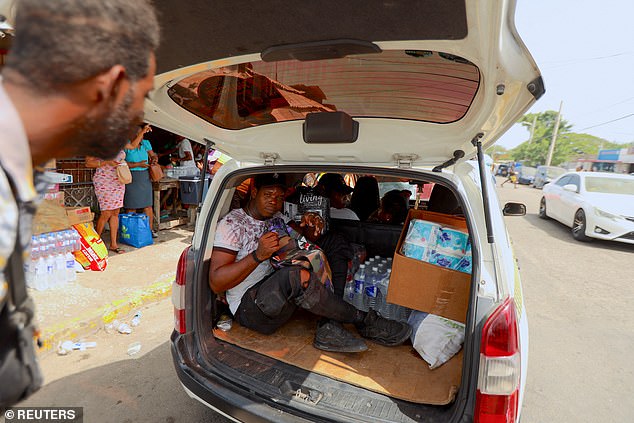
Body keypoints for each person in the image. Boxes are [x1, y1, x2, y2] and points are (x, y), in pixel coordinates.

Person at [0, 0, 159, 407]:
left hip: (114, 182)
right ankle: (109, 244)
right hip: (106, 180)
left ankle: (110, 244)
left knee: (114, 212)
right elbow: (90, 161)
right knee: (107, 212)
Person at [209, 174, 411, 353]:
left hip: (279, 293)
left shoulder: (276, 217)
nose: (274, 201)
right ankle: (366, 321)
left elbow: (301, 240)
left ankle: (329, 323)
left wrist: (311, 227)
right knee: (296, 275)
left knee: (335, 242)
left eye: (280, 197)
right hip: (252, 309)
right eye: (268, 194)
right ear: (254, 192)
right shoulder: (232, 225)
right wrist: (256, 256)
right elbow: (216, 282)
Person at [85, 151, 127, 253]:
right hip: (104, 181)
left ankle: (113, 244)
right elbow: (88, 163)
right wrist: (106, 162)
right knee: (106, 212)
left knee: (116, 212)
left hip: (118, 180)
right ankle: (95, 243)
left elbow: (132, 147)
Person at [124, 124, 159, 237]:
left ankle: (149, 230)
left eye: (142, 133)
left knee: (147, 205)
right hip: (131, 177)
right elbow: (123, 164)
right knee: (131, 206)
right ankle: (131, 232)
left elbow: (153, 155)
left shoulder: (145, 143)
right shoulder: (127, 145)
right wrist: (138, 164)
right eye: (139, 133)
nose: (141, 135)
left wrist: (154, 159)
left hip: (144, 176)